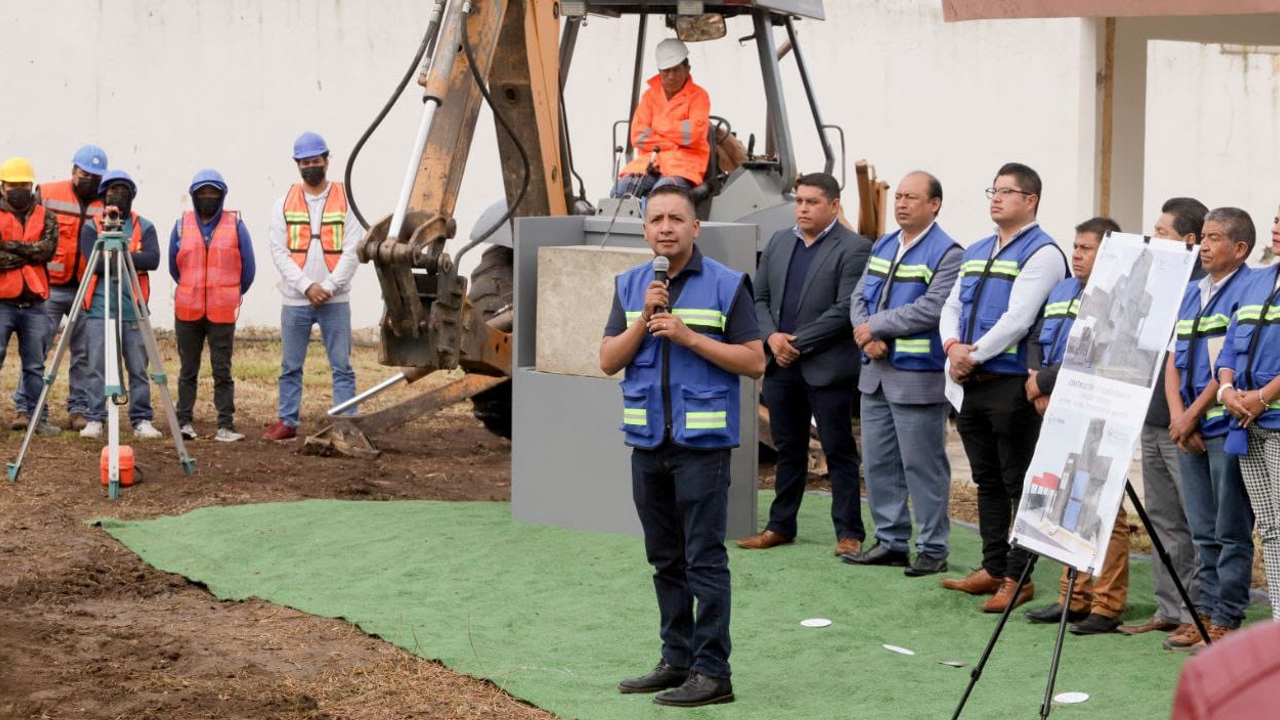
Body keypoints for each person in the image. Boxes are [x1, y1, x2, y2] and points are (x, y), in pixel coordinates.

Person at [601, 184, 763, 707]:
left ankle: (714, 673)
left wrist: (689, 337)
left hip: (702, 447)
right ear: (645, 230)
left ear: (696, 228)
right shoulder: (631, 286)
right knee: (664, 559)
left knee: (704, 561)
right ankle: (677, 660)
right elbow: (607, 359)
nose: (665, 227)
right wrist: (645, 324)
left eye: (676, 218)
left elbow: (756, 361)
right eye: (655, 220)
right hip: (648, 444)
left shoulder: (726, 285)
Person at [938, 162, 1067, 613]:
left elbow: (1019, 318)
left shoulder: (1044, 253)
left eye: (1007, 192)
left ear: (1030, 200)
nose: (996, 198)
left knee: (1020, 482)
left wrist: (971, 354)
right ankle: (992, 567)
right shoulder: (976, 249)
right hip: (971, 382)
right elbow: (951, 304)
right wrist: (952, 347)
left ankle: (1020, 575)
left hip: (1011, 385)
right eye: (993, 189)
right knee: (986, 480)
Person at [736, 173, 870, 556]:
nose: (803, 208)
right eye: (799, 201)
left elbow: (846, 309)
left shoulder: (855, 248)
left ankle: (849, 533)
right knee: (789, 448)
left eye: (812, 202)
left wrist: (796, 343)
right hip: (782, 368)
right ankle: (780, 526)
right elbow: (758, 297)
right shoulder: (780, 242)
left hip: (826, 369)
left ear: (834, 206)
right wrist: (771, 338)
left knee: (838, 449)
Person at [1021, 217, 1133, 635]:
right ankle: (1073, 596)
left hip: (1102, 412)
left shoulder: (1119, 299)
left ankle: (1107, 603)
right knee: (1068, 500)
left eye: (1087, 248)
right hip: (1058, 409)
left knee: (1104, 507)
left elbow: (1097, 352)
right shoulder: (1063, 289)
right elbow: (1037, 338)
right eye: (1076, 246)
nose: (1077, 254)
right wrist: (1037, 384)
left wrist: (1044, 381)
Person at [845, 171, 960, 575]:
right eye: (899, 196)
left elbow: (932, 307)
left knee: (922, 465)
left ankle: (932, 547)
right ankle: (891, 540)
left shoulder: (948, 253)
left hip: (916, 378)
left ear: (935, 204)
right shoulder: (883, 245)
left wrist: (877, 327)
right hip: (874, 372)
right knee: (878, 463)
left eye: (912, 197)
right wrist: (865, 336)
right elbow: (859, 296)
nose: (901, 203)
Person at [1163, 207, 1255, 651]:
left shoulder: (1249, 290)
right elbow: (1172, 358)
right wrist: (1178, 416)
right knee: (1202, 528)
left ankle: (1226, 618)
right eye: (1203, 237)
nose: (1203, 245)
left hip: (1224, 426)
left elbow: (1227, 364)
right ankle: (1203, 610)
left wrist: (1192, 415)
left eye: (1214, 238)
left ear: (1239, 249)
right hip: (1189, 426)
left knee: (1230, 528)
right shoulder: (1191, 292)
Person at [1118, 197, 1207, 638]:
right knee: (1161, 519)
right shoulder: (1154, 285)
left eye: (1163, 233)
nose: (1154, 241)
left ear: (1189, 241)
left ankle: (1200, 614)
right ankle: (1169, 609)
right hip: (1150, 417)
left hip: (1186, 422)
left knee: (1195, 521)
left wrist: (1185, 415)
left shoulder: (1203, 290)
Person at [265, 132, 364, 441]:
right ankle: (287, 422)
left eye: (316, 161)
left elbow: (354, 248)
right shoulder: (283, 203)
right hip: (296, 300)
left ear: (326, 161)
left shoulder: (347, 200)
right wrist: (307, 286)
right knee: (290, 366)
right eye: (305, 162)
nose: (311, 166)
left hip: (335, 300)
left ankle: (345, 423)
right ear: (297, 165)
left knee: (342, 366)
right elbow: (278, 251)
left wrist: (330, 286)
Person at [1215, 201, 1280, 622]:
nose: (1277, 227)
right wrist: (1225, 389)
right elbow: (1228, 344)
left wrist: (1262, 397)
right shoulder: (1257, 282)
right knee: (1270, 531)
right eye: (1276, 219)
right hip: (1247, 423)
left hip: (1273, 421)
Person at [170, 169, 256, 442]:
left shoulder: (237, 225)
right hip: (187, 311)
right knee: (188, 369)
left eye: (213, 193)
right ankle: (183, 422)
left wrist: (230, 293)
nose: (208, 198)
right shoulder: (182, 225)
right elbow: (175, 267)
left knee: (222, 370)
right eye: (203, 193)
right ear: (194, 196)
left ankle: (225, 426)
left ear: (222, 196)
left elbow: (249, 269)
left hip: (221, 311)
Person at [77, 170, 162, 440]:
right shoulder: (92, 227)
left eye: (123, 190)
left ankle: (141, 419)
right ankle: (95, 418)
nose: (118, 195)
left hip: (132, 308)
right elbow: (96, 263)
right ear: (103, 196)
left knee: (138, 367)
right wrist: (130, 256)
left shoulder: (144, 226)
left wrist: (118, 255)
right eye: (112, 190)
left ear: (132, 195)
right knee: (95, 366)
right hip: (99, 310)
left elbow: (154, 259)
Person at [31, 144, 106, 431]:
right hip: (49, 287)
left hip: (87, 288)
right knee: (38, 349)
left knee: (84, 353)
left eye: (96, 177)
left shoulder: (106, 202)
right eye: (85, 174)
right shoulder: (47, 194)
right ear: (73, 170)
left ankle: (80, 410)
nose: (90, 181)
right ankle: (30, 409)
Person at [0, 157, 58, 435]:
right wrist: (27, 253)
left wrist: (11, 247)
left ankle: (39, 419)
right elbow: (34, 253)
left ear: (31, 185)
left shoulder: (46, 216)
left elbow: (46, 250)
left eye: (23, 184)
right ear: (3, 187)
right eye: (13, 185)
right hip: (2, 303)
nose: (19, 189)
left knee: (35, 366)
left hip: (35, 303)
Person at [612, 38, 711, 199]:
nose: (671, 76)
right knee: (619, 193)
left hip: (684, 165)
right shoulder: (649, 96)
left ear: (687, 69)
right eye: (666, 71)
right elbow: (638, 136)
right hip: (649, 163)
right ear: (659, 71)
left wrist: (658, 125)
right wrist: (673, 144)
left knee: (660, 197)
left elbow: (692, 135)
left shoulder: (699, 97)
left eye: (676, 70)